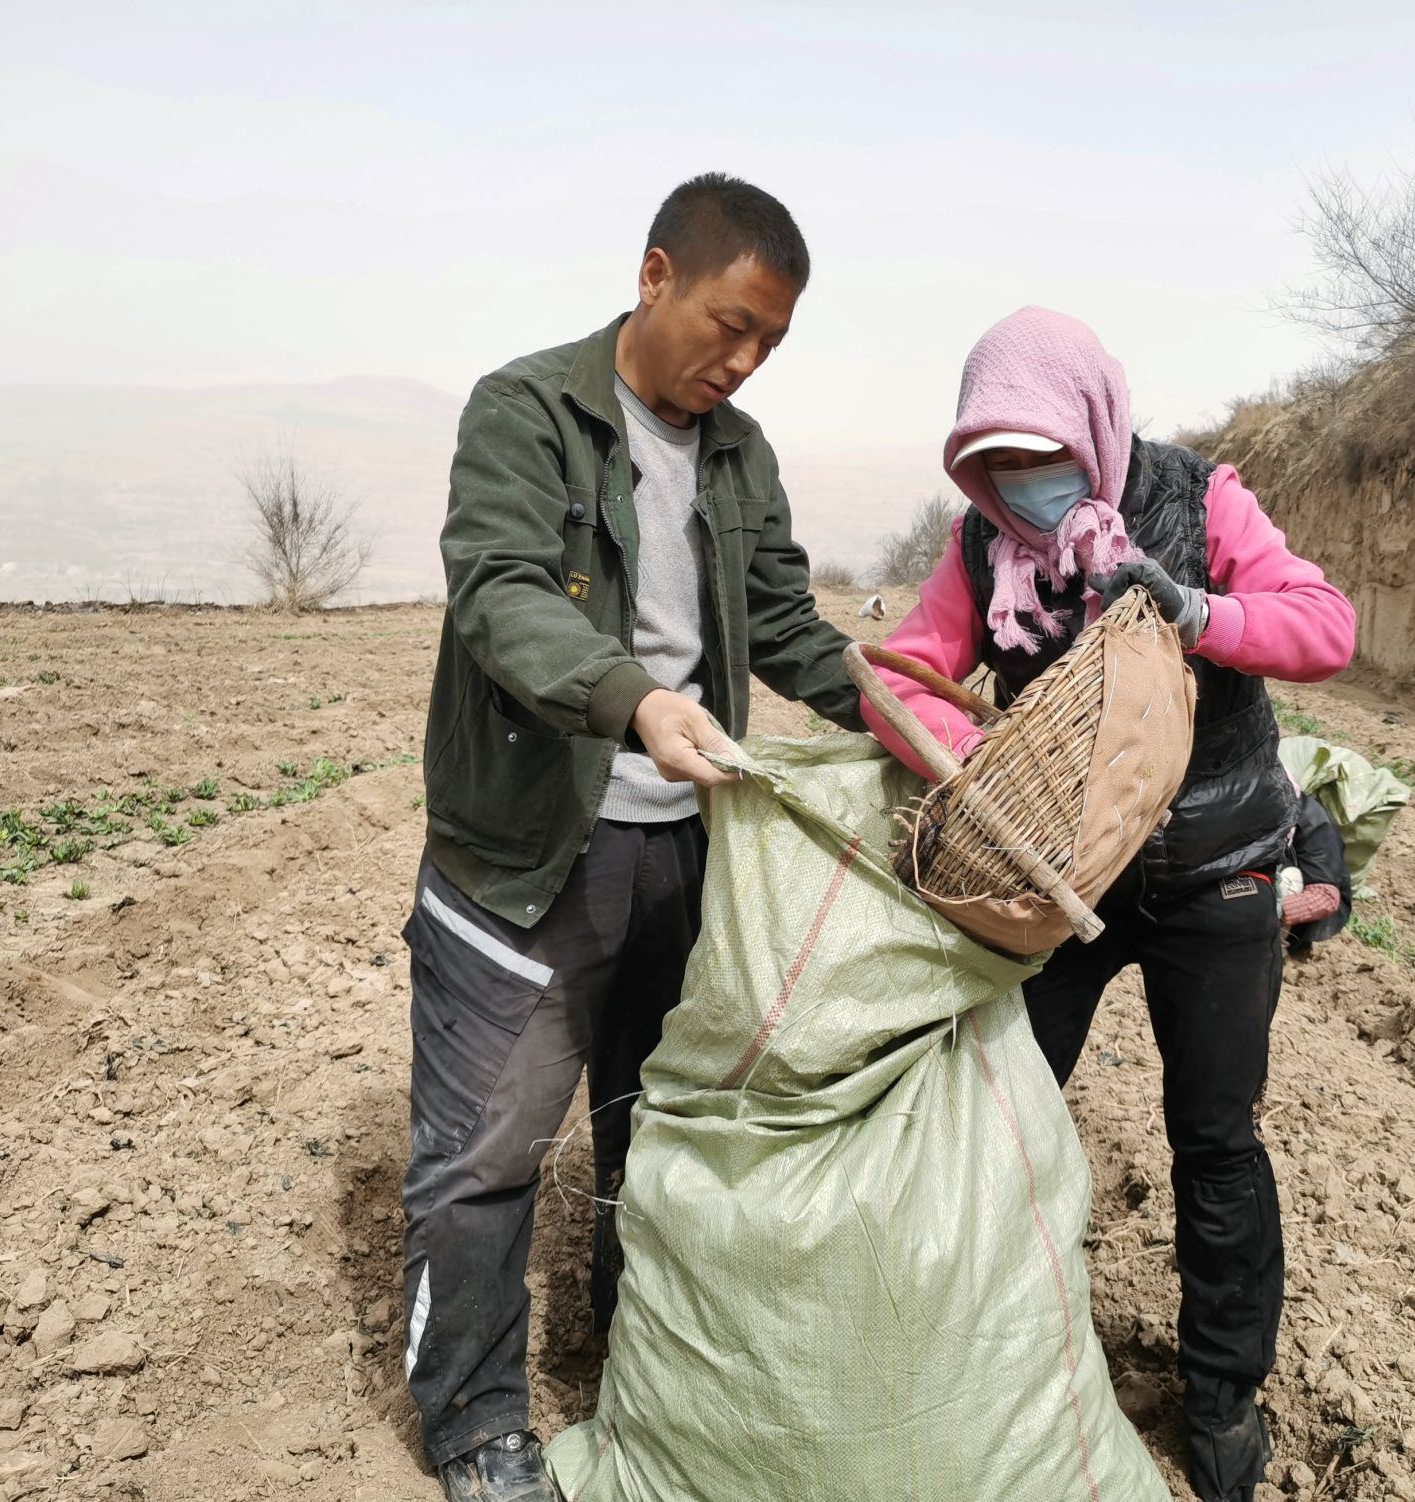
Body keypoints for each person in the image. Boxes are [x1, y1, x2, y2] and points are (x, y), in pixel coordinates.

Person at [403, 173, 865, 1502]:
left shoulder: (740, 454)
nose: (744, 359)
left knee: (652, 1127)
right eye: (731, 323)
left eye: (770, 340)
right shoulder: (526, 411)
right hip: (529, 853)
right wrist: (636, 700)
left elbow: (779, 621)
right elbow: (501, 594)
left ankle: (635, 1356)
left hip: (681, 852)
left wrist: (886, 703)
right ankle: (476, 1421)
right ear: (656, 275)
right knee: (486, 1154)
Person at [860, 307, 1356, 1502]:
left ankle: (1221, 1391)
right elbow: (897, 676)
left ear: (1092, 427)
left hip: (1218, 868)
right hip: (1059, 884)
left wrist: (1200, 613)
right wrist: (964, 762)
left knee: (1214, 1138)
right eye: (992, 463)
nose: (1020, 485)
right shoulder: (981, 546)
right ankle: (989, 1354)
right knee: (1003, 1122)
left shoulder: (1196, 497)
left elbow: (1324, 625)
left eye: (1039, 456)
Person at [1280, 789, 1353, 958]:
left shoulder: (1314, 825)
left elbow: (1325, 896)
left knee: (1287, 879)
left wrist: (1268, 909)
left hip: (1298, 913)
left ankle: (1271, 948)